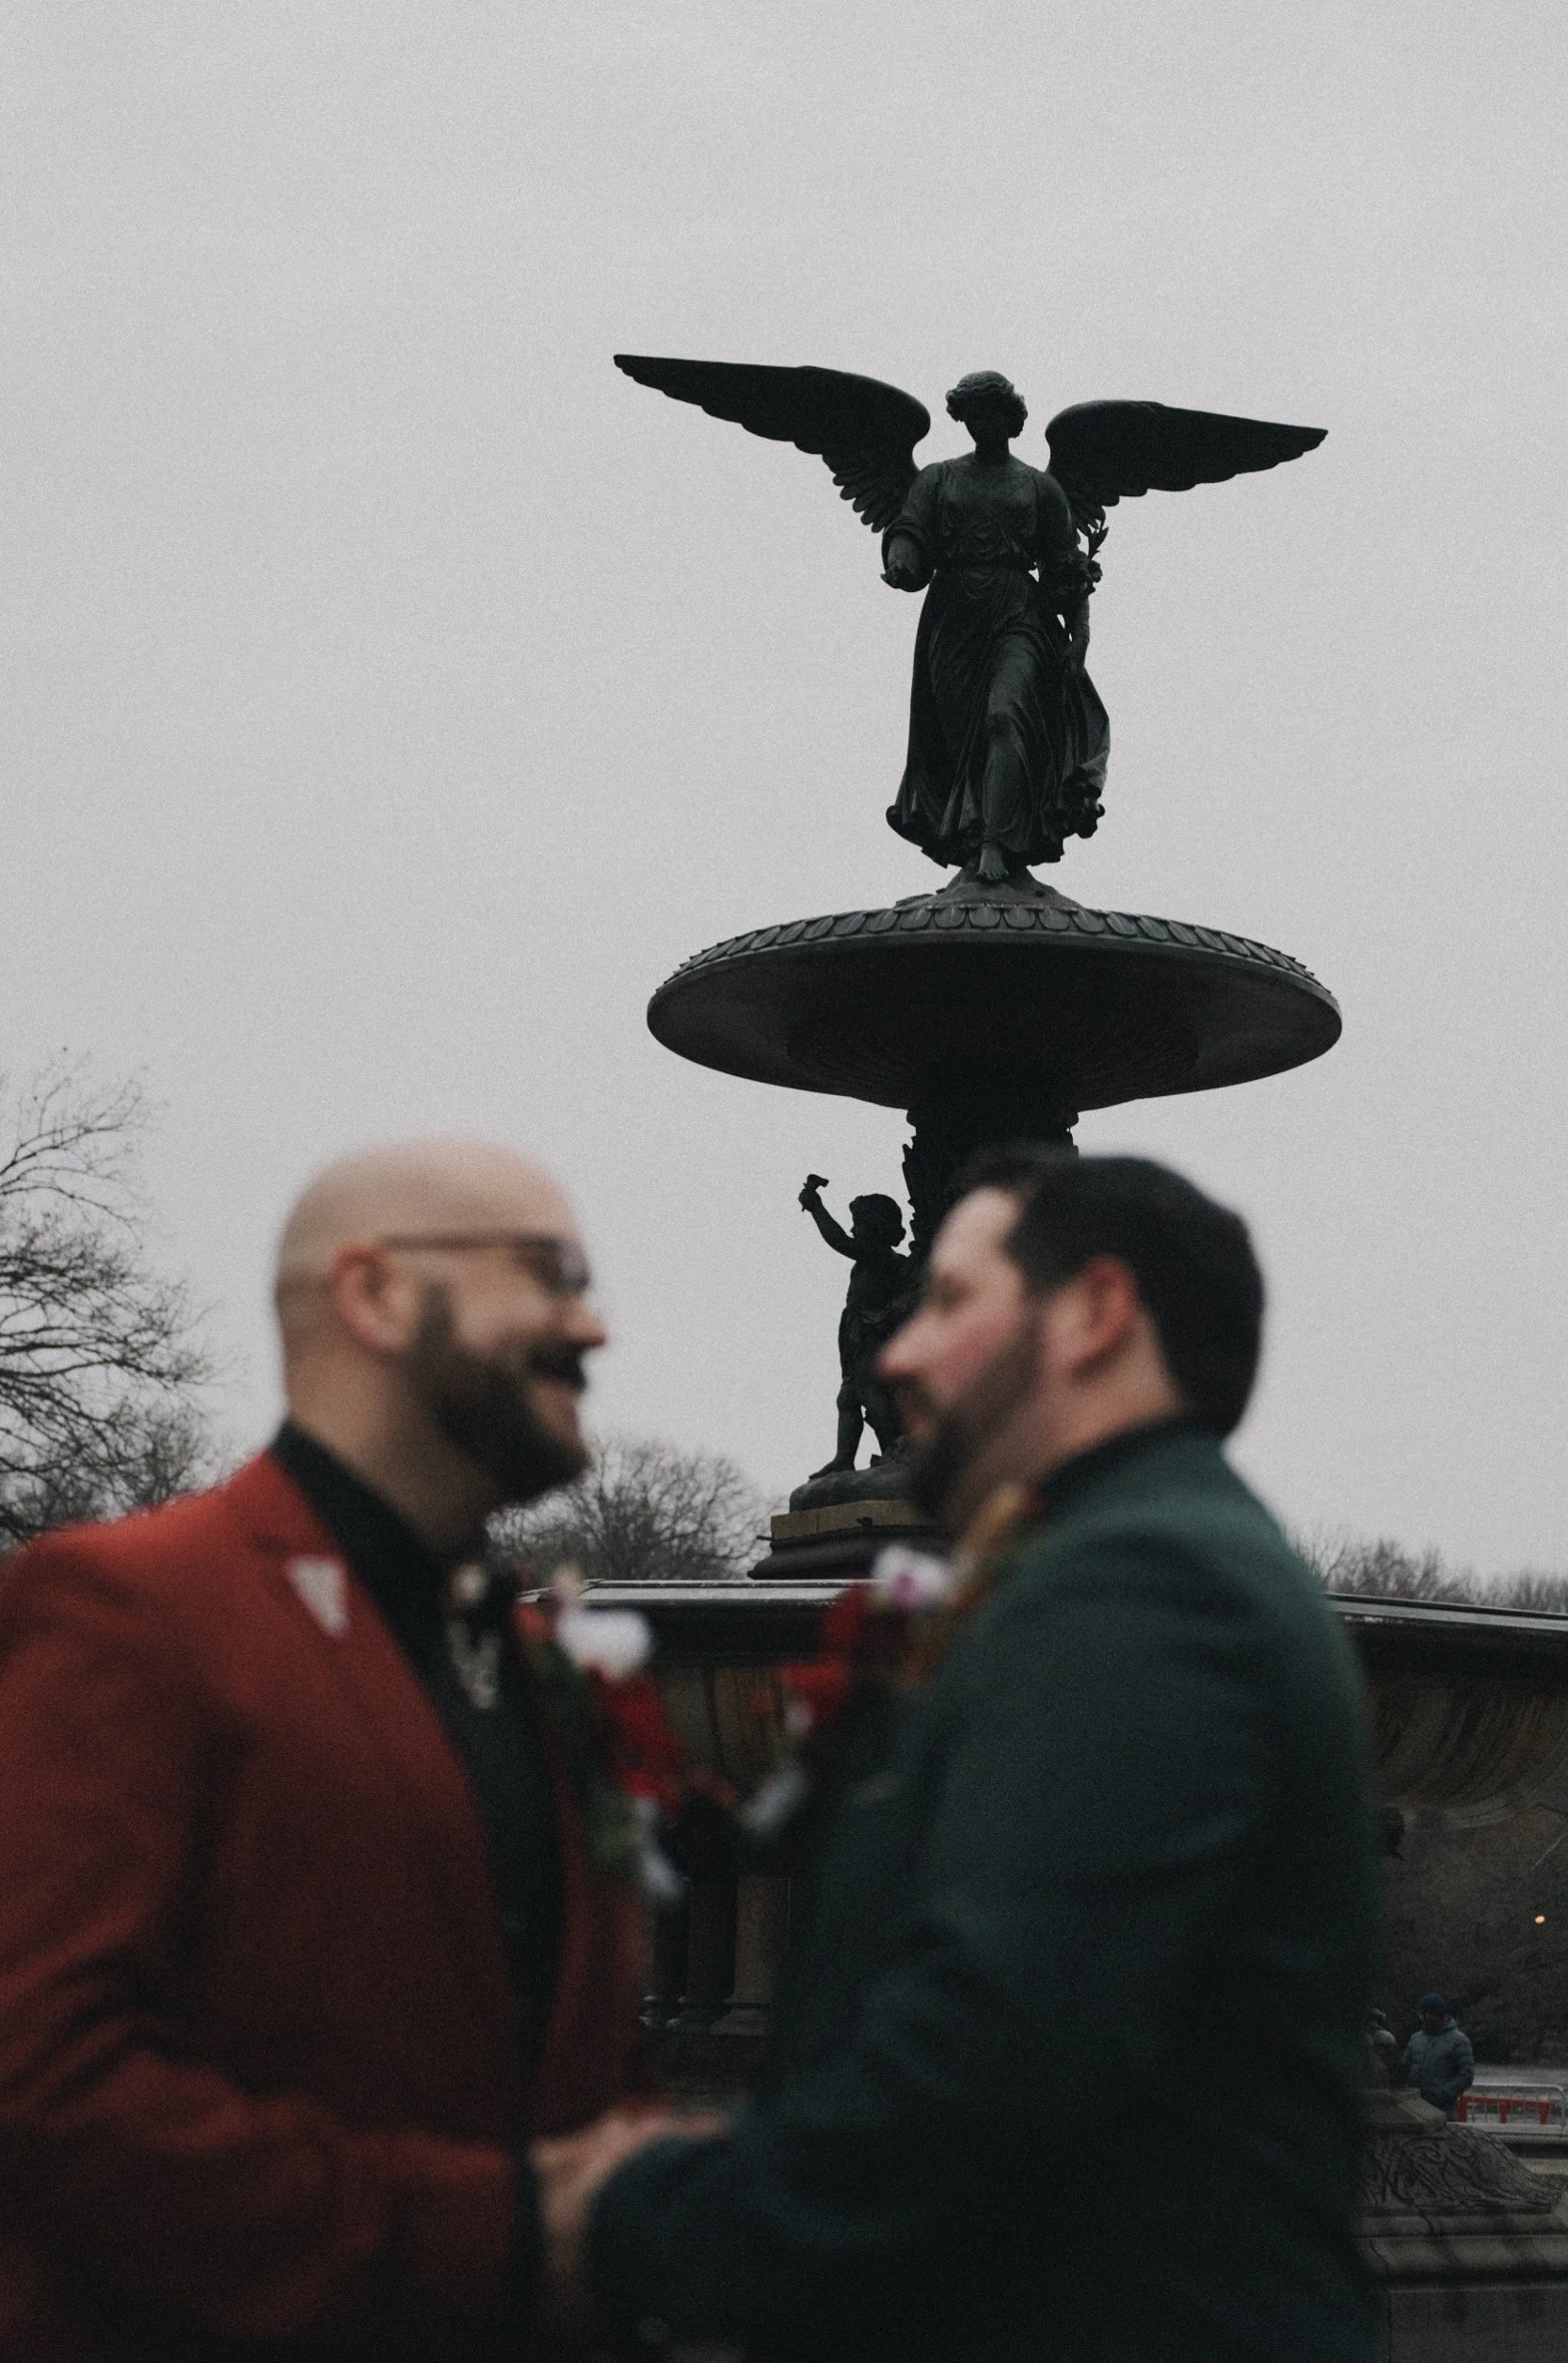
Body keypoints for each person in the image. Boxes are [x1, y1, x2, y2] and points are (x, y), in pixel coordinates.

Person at [542, 1149, 1382, 2363]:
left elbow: (989, 2057)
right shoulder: (1126, 1565)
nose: (896, 1354)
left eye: (947, 1303)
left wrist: (624, 2217)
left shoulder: (1147, 1588)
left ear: (1094, 1313)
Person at [0, 1140, 671, 2361]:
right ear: (372, 1294)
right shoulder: (129, 1606)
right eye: (552, 1272)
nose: (593, 1327)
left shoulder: (533, 1659)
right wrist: (497, 2237)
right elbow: (38, 2074)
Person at [883, 371, 1110, 882]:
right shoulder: (938, 478)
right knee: (962, 736)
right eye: (972, 415)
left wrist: (1081, 636)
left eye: (991, 413)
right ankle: (968, 837)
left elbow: (1064, 567)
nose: (982, 424)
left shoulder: (1039, 487)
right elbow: (911, 530)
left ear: (1010, 418)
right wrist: (903, 561)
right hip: (954, 619)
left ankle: (996, 845)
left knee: (1004, 718)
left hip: (1017, 614)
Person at [797, 1175, 912, 1473]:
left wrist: (817, 1208)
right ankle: (844, 1458)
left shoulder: (878, 1257)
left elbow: (838, 1240)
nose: (852, 1230)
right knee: (848, 1396)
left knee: (871, 1395)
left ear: (874, 1230)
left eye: (858, 1224)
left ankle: (893, 1450)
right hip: (856, 1335)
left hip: (874, 1335)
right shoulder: (870, 1261)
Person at [1399, 1994, 1476, 2118]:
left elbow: (1466, 2075)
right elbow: (1404, 2068)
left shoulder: (1459, 2040)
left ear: (1437, 2015)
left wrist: (1442, 2094)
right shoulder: (1415, 2039)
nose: (1421, 2018)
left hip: (1444, 2111)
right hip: (1414, 2109)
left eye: (1425, 2014)